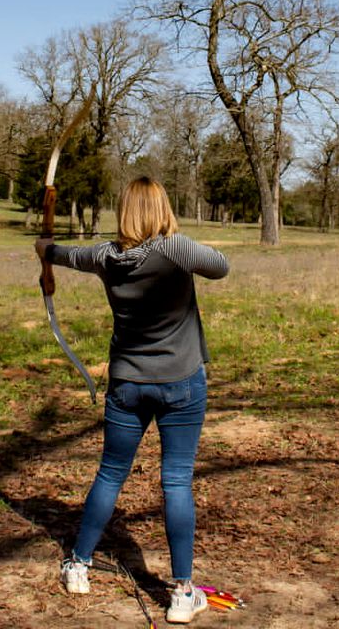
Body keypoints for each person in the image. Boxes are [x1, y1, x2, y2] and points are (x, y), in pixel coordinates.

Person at [35, 176, 229, 624]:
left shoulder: (105, 255)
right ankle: (183, 593)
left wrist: (45, 250)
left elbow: (62, 253)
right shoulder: (173, 249)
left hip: (126, 384)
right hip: (181, 383)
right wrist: (174, 240)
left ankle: (79, 565)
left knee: (110, 474)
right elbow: (220, 265)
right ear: (161, 210)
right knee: (176, 481)